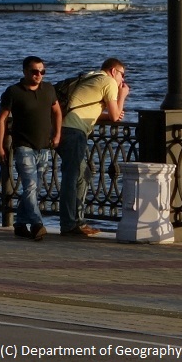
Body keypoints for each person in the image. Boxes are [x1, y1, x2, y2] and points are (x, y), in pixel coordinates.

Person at [57, 57, 131, 237]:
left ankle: (77, 222)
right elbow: (115, 115)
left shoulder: (90, 77)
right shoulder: (108, 82)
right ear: (114, 71)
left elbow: (87, 111)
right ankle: (69, 224)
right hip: (75, 133)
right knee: (72, 177)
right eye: (122, 75)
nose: (123, 80)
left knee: (83, 174)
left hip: (63, 128)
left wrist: (107, 115)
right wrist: (123, 96)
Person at [0, 56, 62, 241]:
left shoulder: (48, 89)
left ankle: (20, 224)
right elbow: (1, 120)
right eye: (34, 71)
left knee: (35, 188)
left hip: (44, 147)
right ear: (24, 71)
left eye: (42, 72)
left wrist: (57, 135)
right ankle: (38, 224)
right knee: (30, 186)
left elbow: (57, 111)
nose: (38, 75)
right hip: (23, 146)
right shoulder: (13, 92)